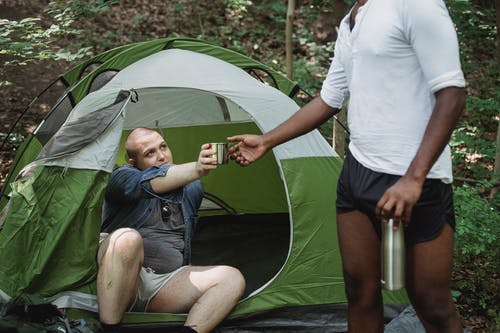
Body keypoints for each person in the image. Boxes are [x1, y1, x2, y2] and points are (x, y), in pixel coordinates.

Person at [228, 0, 466, 332]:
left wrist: (414, 179)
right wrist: (267, 141)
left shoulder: (416, 4)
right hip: (357, 174)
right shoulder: (350, 20)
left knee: (431, 303)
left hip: (415, 180)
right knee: (360, 291)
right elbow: (329, 99)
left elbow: (453, 93)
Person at [97, 127, 246, 333]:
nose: (161, 156)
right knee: (127, 238)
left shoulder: (192, 188)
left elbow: (184, 238)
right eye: (150, 153)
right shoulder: (121, 177)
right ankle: (110, 328)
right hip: (119, 281)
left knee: (232, 278)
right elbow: (147, 183)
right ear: (134, 162)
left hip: (164, 285)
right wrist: (198, 167)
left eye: (163, 147)